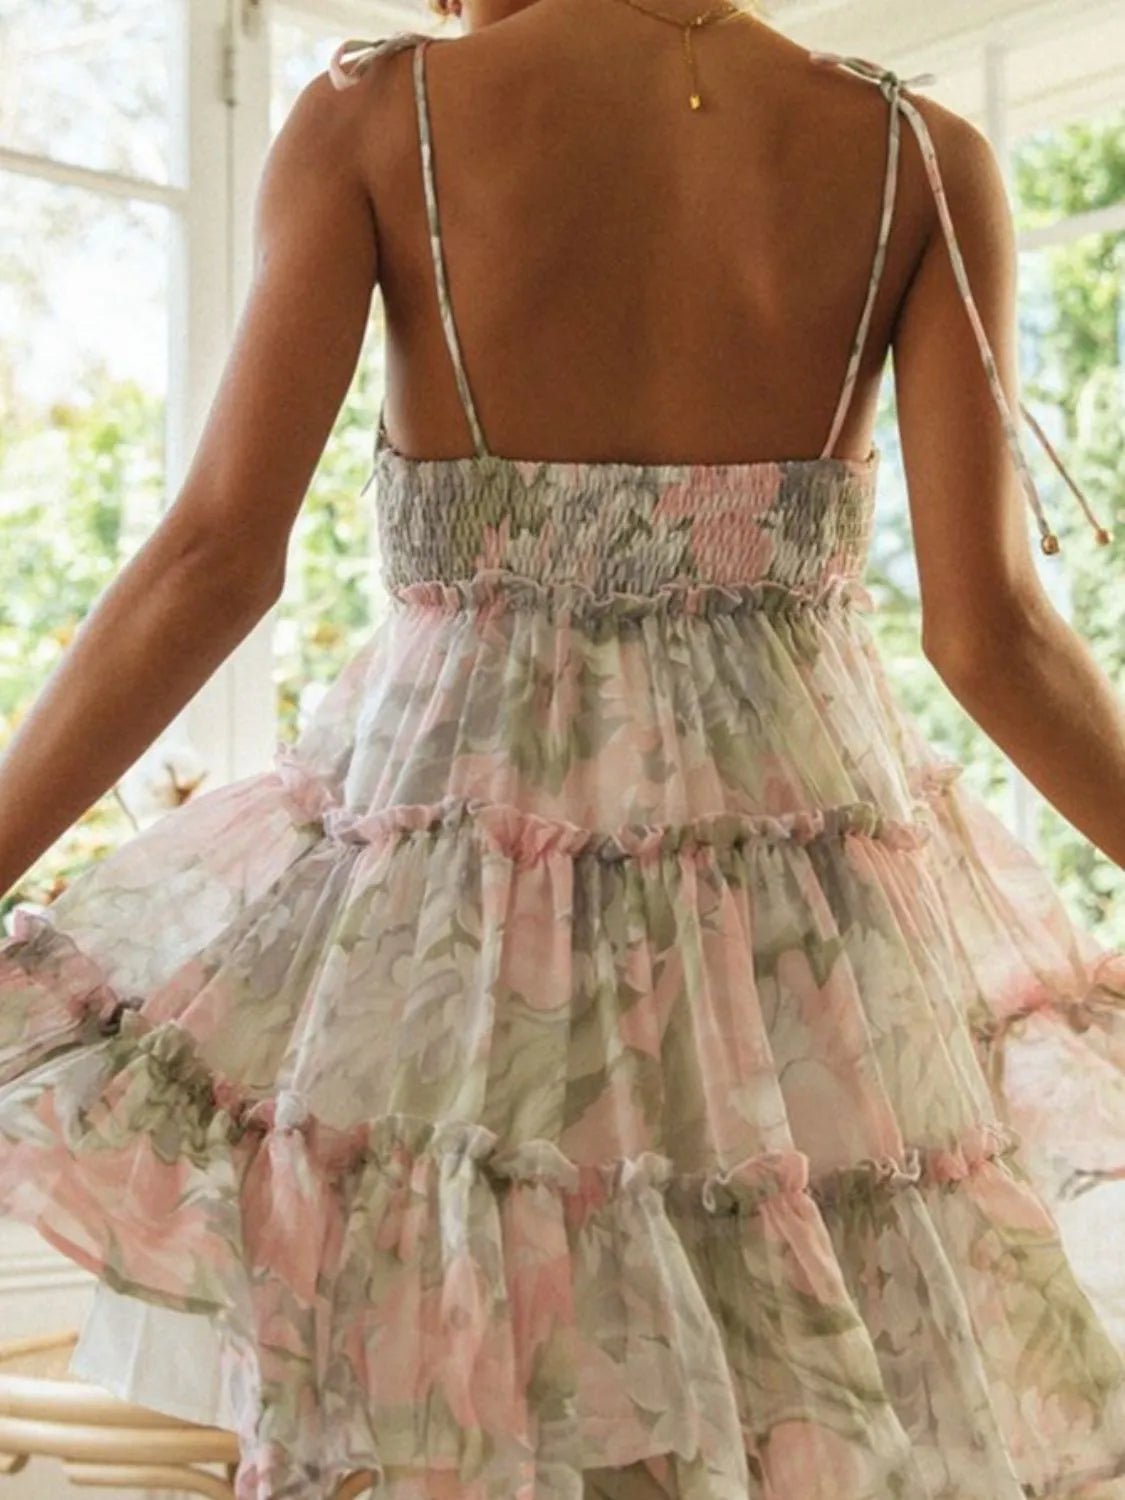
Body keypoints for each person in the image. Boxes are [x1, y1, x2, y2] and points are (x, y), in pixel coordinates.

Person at [2, 0, 1125, 1496]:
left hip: (465, 942)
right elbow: (992, 638)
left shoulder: (381, 119)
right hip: (806, 956)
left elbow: (215, 560)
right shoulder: (917, 154)